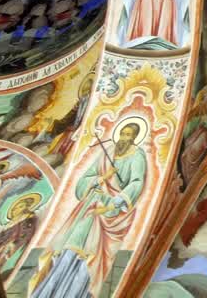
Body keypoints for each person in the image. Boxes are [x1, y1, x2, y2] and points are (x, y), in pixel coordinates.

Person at [31, 122, 147, 298]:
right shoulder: (107, 151)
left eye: (128, 135)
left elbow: (136, 182)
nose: (123, 138)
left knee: (91, 257)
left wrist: (113, 203)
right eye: (122, 133)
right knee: (70, 247)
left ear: (134, 138)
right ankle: (50, 292)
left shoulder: (137, 156)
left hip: (110, 212)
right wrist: (102, 178)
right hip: (90, 206)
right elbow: (87, 177)